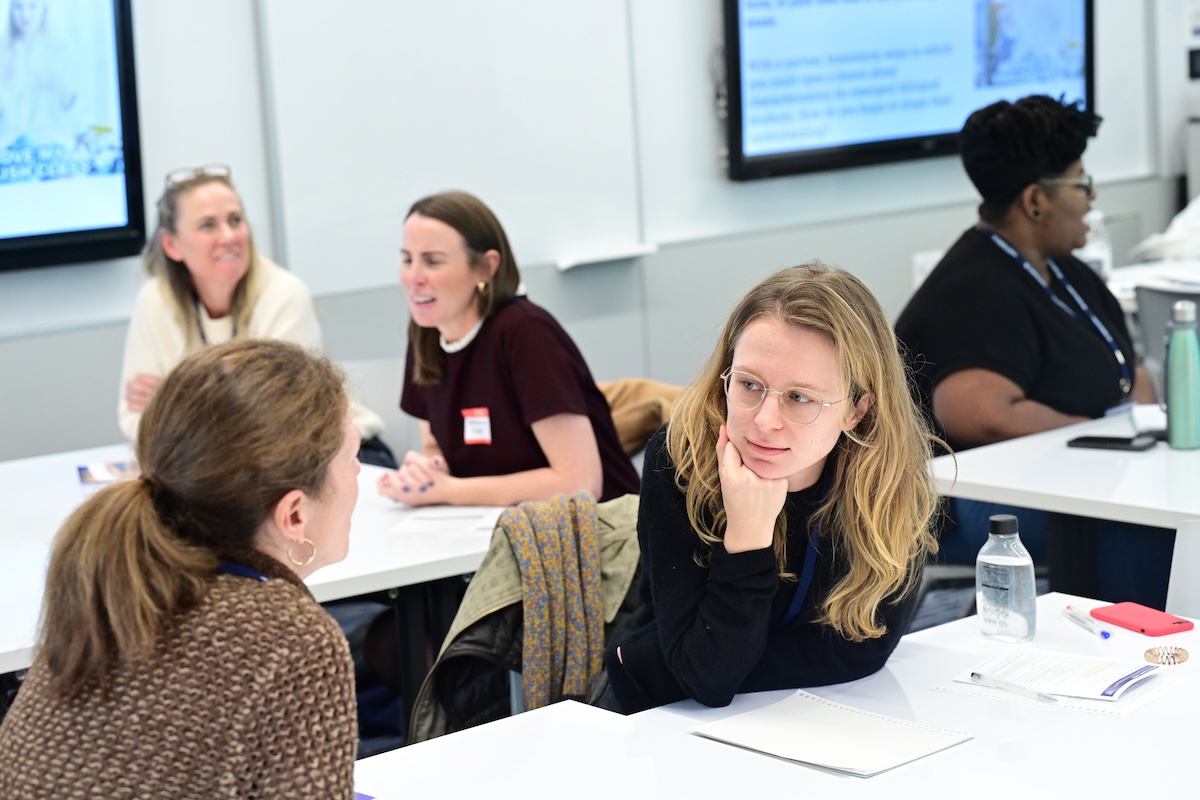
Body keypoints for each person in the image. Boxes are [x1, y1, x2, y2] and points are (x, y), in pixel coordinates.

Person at [0, 339, 359, 797]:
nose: (359, 477)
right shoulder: (292, 638)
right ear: (293, 515)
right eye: (352, 460)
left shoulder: (116, 576)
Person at [599, 263, 939, 713]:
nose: (763, 421)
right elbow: (708, 679)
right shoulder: (682, 456)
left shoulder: (887, 477)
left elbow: (860, 651)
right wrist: (748, 538)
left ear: (857, 410)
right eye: (749, 385)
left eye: (800, 397)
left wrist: (662, 666)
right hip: (658, 719)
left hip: (813, 717)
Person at [894, 94, 1172, 606]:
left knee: (1154, 502)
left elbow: (1131, 372)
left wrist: (1133, 435)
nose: (1091, 198)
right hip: (964, 499)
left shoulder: (1069, 272)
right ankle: (1140, 652)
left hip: (1085, 469)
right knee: (1139, 519)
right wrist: (1106, 438)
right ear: (1035, 201)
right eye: (1081, 183)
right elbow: (980, 413)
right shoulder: (972, 287)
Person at [119, 163, 396, 467]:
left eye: (235, 220)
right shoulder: (155, 300)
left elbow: (278, 420)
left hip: (340, 457)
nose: (228, 236)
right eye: (208, 225)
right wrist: (218, 406)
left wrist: (175, 401)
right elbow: (136, 414)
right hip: (228, 468)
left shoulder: (284, 293)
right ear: (172, 245)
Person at [378, 189, 639, 506]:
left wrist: (447, 491)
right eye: (407, 259)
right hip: (498, 526)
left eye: (433, 261)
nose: (413, 277)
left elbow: (579, 483)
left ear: (485, 268)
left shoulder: (525, 332)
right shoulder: (428, 333)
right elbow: (435, 445)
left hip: (601, 534)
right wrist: (428, 471)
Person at [0, 0, 80, 151]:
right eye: (18, 6)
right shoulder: (3, 49)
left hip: (53, 145)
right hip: (8, 147)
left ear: (44, 8)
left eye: (32, 6)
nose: (25, 14)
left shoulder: (62, 48)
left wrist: (59, 85)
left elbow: (79, 112)